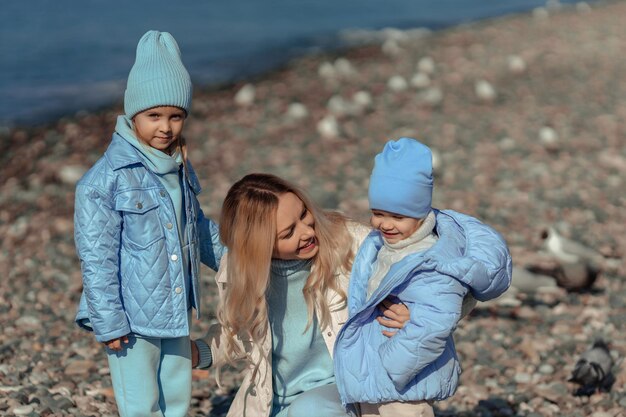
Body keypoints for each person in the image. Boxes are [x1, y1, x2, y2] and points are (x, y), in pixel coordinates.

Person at [73, 30, 224, 417]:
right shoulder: (105, 180)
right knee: (141, 405)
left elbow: (196, 227)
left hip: (174, 307)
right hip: (131, 319)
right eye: (154, 115)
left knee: (176, 398)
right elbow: (97, 257)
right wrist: (109, 321)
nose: (166, 127)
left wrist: (235, 259)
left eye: (176, 116)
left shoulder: (179, 166)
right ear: (133, 114)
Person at [191, 173, 411, 417]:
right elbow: (239, 332)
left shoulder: (352, 243)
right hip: (276, 405)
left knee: (310, 410)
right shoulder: (241, 274)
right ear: (258, 245)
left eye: (304, 214)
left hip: (342, 394)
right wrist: (200, 352)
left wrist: (414, 314)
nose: (307, 232)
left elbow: (433, 275)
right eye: (288, 233)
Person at [322, 137, 511, 416]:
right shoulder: (382, 246)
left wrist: (391, 365)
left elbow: (435, 323)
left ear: (421, 214)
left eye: (397, 217)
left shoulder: (432, 262)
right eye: (377, 213)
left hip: (405, 382)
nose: (384, 224)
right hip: (377, 378)